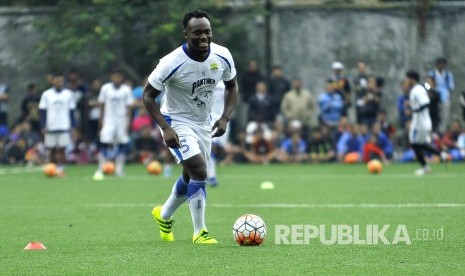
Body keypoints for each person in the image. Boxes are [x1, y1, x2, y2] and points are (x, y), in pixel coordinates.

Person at [142, 10, 238, 244]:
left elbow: (232, 86)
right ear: (186, 34)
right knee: (200, 171)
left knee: (190, 174)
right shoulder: (171, 62)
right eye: (197, 33)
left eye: (207, 31)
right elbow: (147, 96)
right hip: (176, 120)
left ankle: (163, 215)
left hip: (203, 123)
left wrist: (224, 117)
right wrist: (165, 128)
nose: (203, 36)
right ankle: (200, 232)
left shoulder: (222, 55)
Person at [404, 70, 448, 176]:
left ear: (411, 79)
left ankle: (425, 167)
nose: (405, 81)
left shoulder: (420, 89)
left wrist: (412, 110)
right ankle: (442, 155)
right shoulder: (422, 87)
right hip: (424, 121)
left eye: (407, 78)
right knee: (421, 144)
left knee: (415, 144)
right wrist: (412, 104)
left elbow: (426, 102)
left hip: (420, 121)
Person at [93, 68, 133, 179]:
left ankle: (119, 169)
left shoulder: (126, 90)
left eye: (119, 76)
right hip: (108, 120)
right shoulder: (105, 88)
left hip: (121, 120)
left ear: (122, 77)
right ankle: (101, 168)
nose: (117, 78)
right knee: (104, 143)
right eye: (115, 76)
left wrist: (128, 122)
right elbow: (101, 105)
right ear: (111, 77)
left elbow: (129, 107)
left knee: (122, 144)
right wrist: (100, 121)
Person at [38, 73, 77, 176]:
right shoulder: (46, 94)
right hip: (50, 126)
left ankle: (61, 169)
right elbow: (42, 111)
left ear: (63, 81)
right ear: (52, 81)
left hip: (64, 126)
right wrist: (43, 126)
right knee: (51, 150)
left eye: (60, 80)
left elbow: (72, 112)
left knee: (62, 149)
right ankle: (52, 169)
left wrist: (73, 127)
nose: (58, 82)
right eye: (56, 80)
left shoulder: (69, 94)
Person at [207, 81, 228, 187]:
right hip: (209, 118)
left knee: (220, 150)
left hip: (224, 119)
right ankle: (211, 176)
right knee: (211, 147)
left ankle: (207, 171)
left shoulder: (227, 83)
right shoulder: (206, 80)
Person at [428, 58, 454, 132]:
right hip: (433, 96)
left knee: (444, 115)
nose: (440, 65)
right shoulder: (431, 74)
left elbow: (451, 87)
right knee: (433, 113)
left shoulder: (448, 75)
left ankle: (442, 131)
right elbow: (427, 84)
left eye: (442, 64)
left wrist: (449, 96)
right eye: (439, 64)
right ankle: (433, 129)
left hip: (444, 96)